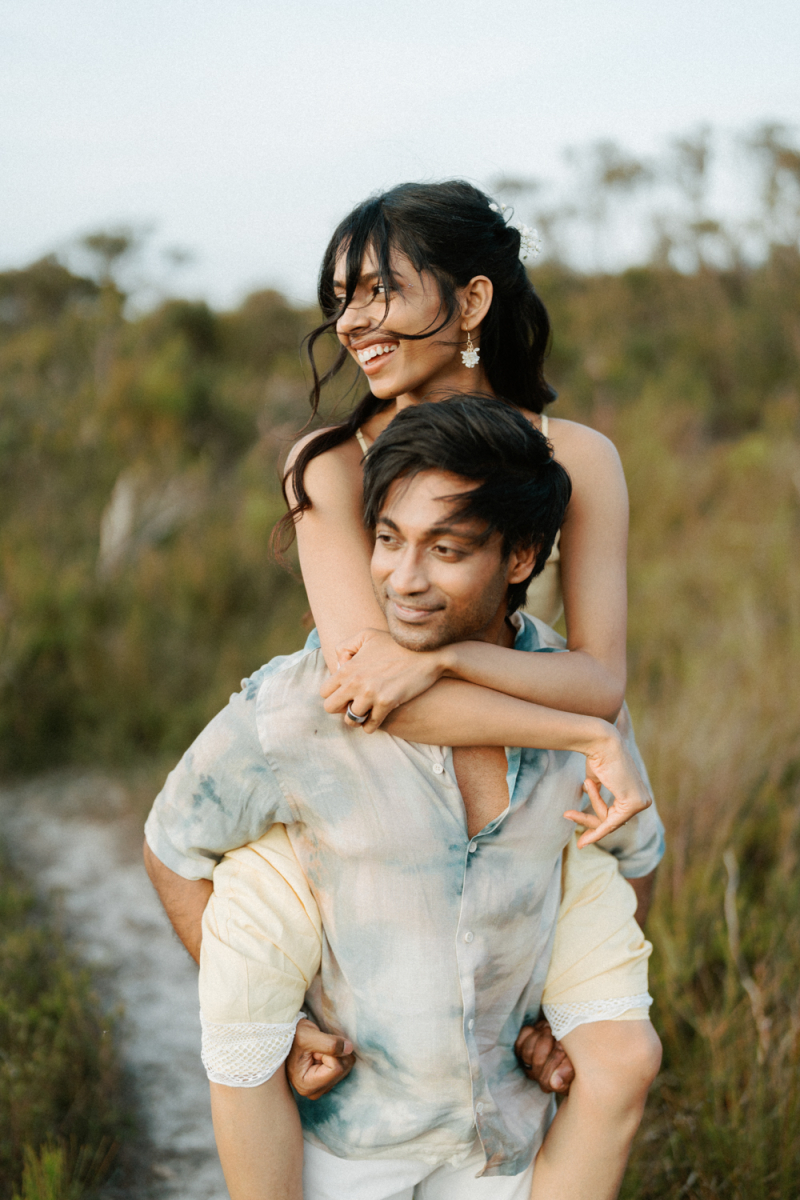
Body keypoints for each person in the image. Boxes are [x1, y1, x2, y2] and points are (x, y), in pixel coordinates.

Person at [144, 180, 664, 1198]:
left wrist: (448, 660)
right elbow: (364, 686)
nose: (352, 321)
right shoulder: (330, 461)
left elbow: (598, 677)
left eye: (381, 290)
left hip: (508, 758)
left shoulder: (578, 459)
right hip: (358, 768)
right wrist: (566, 723)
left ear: (470, 303)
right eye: (342, 295)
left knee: (604, 963)